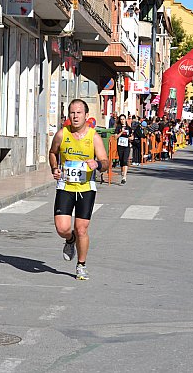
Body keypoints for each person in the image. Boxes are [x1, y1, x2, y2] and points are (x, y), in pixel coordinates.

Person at [49, 99, 108, 280]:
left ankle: (81, 265)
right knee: (62, 228)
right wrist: (54, 168)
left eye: (78, 113)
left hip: (86, 188)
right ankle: (70, 239)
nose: (75, 116)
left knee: (81, 229)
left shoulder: (94, 137)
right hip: (65, 186)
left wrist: (97, 163)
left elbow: (106, 163)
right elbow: (53, 152)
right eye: (72, 113)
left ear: (86, 116)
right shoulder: (61, 134)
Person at [114, 114, 132, 184]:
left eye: (123, 119)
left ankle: (124, 177)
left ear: (125, 119)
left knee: (125, 160)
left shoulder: (129, 128)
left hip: (126, 146)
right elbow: (115, 137)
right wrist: (121, 132)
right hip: (120, 146)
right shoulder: (118, 128)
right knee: (121, 160)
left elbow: (131, 137)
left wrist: (131, 138)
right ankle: (122, 171)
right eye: (121, 119)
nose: (122, 120)